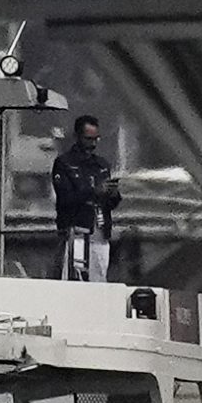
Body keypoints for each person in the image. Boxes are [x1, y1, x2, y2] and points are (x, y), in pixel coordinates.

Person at [52, 114, 121, 281]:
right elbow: (65, 199)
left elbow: (111, 202)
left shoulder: (102, 165)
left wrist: (112, 194)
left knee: (100, 279)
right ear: (77, 137)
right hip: (76, 231)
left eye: (96, 139)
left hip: (100, 232)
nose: (93, 144)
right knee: (75, 278)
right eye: (89, 139)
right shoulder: (64, 163)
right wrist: (93, 191)